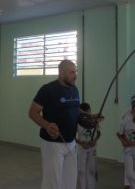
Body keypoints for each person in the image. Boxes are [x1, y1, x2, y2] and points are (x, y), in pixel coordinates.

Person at [29, 60, 80, 189]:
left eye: (75, 71)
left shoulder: (74, 89)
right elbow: (33, 112)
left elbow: (75, 108)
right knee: (52, 182)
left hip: (71, 142)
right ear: (61, 73)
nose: (75, 75)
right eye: (72, 72)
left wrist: (90, 117)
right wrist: (47, 125)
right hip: (52, 144)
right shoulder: (48, 90)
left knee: (70, 181)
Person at [76, 102, 101, 189]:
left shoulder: (94, 121)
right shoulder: (77, 122)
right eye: (84, 113)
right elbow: (73, 137)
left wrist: (94, 140)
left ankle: (91, 186)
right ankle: (83, 187)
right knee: (82, 170)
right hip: (82, 149)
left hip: (92, 148)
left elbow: (98, 133)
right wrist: (82, 143)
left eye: (88, 112)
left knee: (91, 169)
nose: (87, 115)